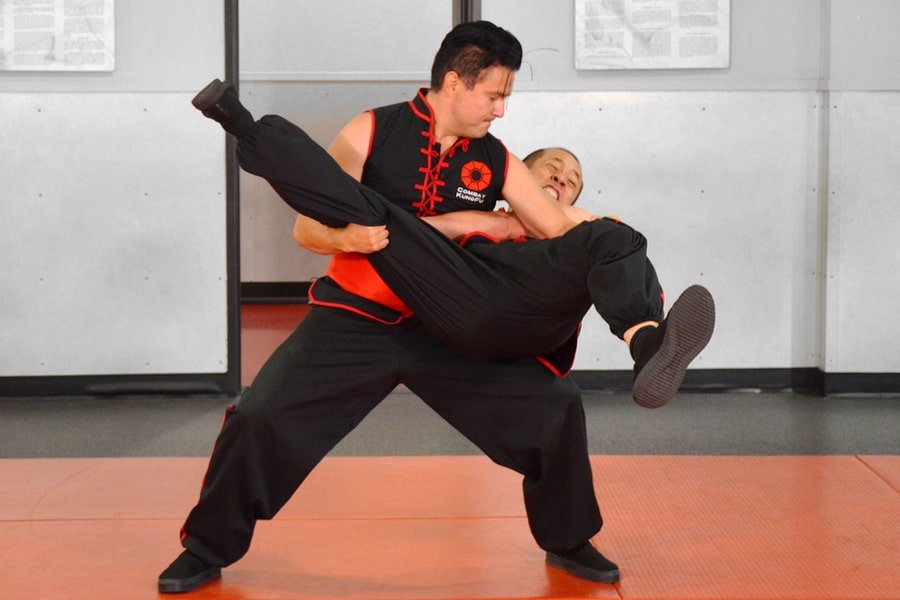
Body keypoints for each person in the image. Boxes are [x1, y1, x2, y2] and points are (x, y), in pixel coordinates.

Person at [158, 21, 712, 594]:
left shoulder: (496, 158)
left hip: (452, 322)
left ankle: (640, 354)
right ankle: (205, 548)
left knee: (557, 403)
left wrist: (612, 238)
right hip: (359, 315)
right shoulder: (373, 129)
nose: (501, 110)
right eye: (495, 95)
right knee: (260, 414)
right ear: (455, 82)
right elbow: (307, 226)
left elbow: (555, 227)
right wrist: (345, 240)